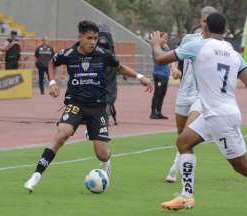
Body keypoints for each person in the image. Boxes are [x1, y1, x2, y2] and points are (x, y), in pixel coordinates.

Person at [150, 13, 247, 216]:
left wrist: (156, 44)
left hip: (220, 118)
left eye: (203, 24)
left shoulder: (198, 45)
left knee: (243, 166)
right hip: (214, 113)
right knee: (183, 142)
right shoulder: (233, 53)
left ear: (205, 28)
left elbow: (160, 59)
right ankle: (186, 196)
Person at [24, 20, 152, 192]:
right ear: (80, 38)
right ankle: (36, 175)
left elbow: (119, 67)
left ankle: (107, 159)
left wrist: (140, 76)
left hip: (98, 107)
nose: (93, 42)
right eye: (89, 38)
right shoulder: (68, 54)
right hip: (75, 104)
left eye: (95, 38)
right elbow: (52, 63)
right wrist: (53, 82)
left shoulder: (103, 54)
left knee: (101, 154)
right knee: (62, 135)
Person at [165, 6, 217, 183]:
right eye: (205, 21)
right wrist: (174, 69)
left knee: (188, 132)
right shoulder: (189, 39)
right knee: (180, 133)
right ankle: (181, 162)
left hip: (200, 95)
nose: (206, 24)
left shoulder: (217, 45)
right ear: (201, 21)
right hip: (183, 92)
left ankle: (175, 168)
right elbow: (175, 57)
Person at [98, 25, 118, 125]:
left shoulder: (99, 43)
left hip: (105, 71)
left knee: (106, 96)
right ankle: (106, 117)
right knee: (108, 96)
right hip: (108, 71)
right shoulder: (109, 45)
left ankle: (105, 116)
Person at [150, 32, 170, 119]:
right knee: (157, 93)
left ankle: (159, 112)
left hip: (165, 74)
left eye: (166, 38)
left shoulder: (165, 48)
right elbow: (160, 58)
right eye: (164, 38)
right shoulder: (156, 49)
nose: (166, 40)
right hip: (159, 74)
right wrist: (166, 50)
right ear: (159, 39)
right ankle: (153, 112)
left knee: (163, 94)